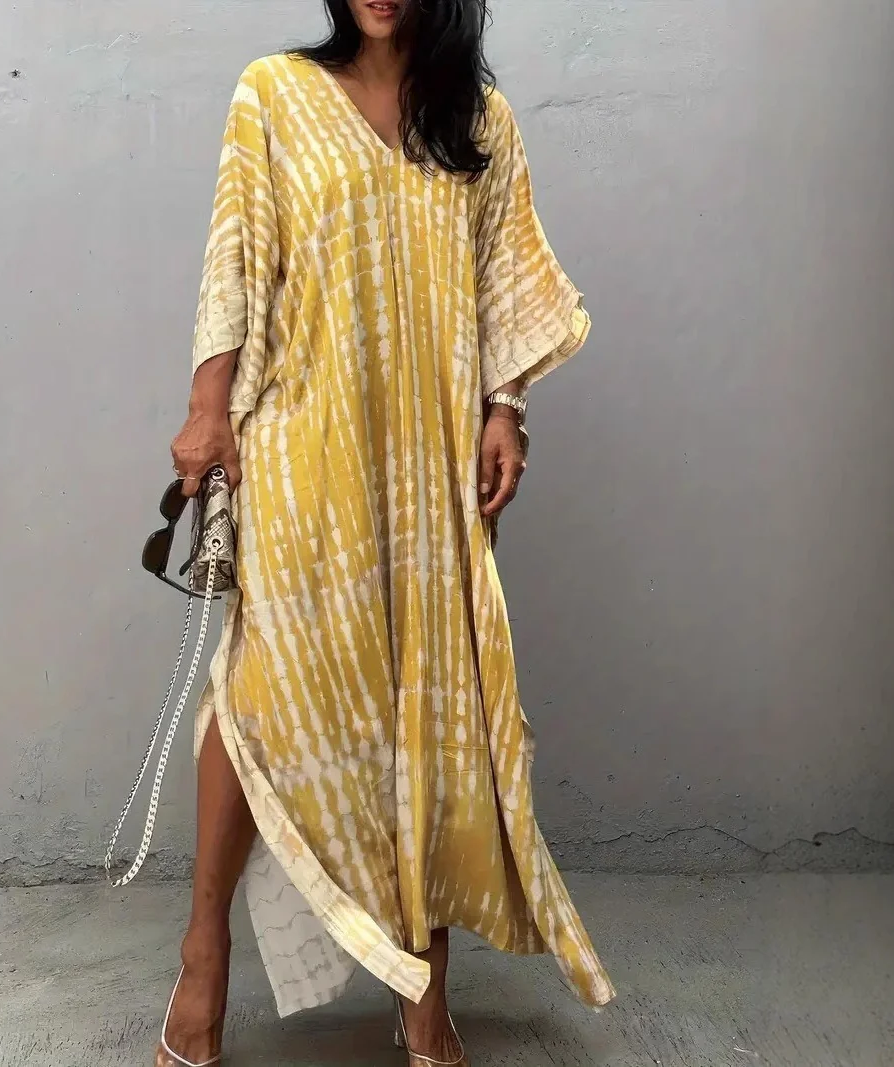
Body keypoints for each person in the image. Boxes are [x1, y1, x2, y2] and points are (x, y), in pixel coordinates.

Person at [158, 1, 614, 1063]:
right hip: (302, 439)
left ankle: (422, 990)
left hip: (427, 467)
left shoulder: (477, 120)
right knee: (259, 690)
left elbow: (501, 277)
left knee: (430, 708)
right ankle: (202, 950)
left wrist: (506, 409)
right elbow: (235, 261)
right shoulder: (274, 94)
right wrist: (206, 408)